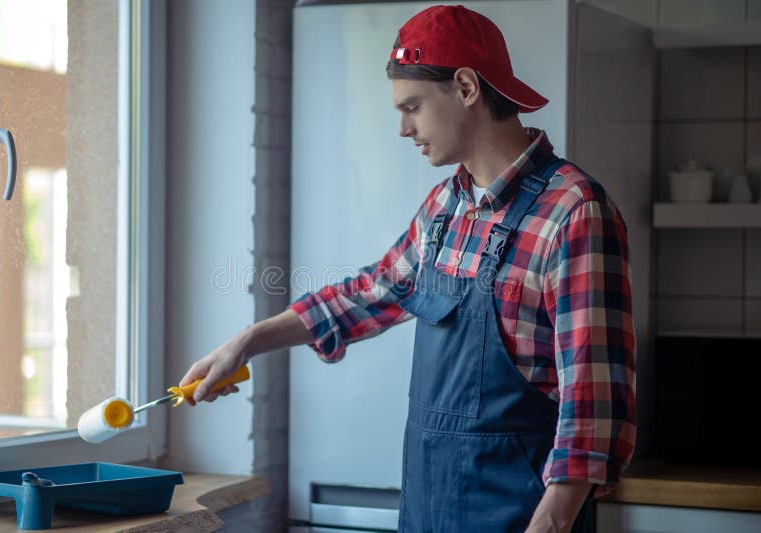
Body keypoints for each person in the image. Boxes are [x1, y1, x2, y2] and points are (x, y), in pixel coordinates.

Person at [180, 5, 636, 533]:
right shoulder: (447, 206)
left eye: (413, 106)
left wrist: (550, 525)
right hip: (427, 510)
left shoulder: (573, 212)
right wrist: (247, 341)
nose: (403, 129)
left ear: (466, 87)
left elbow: (593, 408)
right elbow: (372, 292)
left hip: (525, 520)